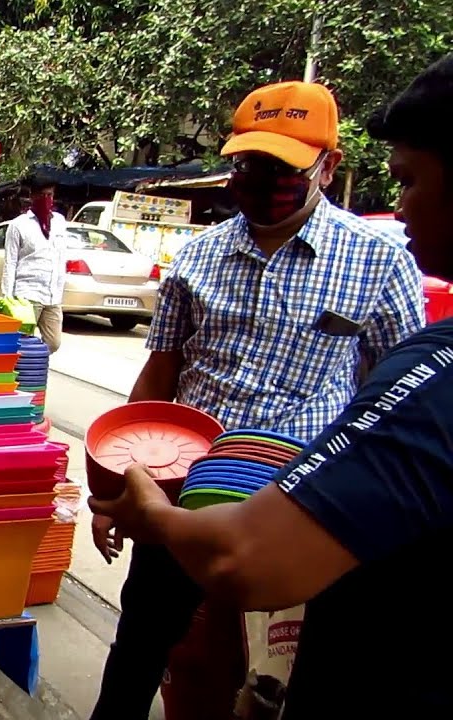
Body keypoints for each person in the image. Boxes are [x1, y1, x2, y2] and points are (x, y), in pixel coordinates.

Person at [92, 54, 453, 718]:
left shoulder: (380, 262)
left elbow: (393, 399)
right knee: (141, 645)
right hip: (182, 492)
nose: (260, 182)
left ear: (327, 167)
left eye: (281, 168)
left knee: (266, 678)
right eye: (249, 164)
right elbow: (158, 381)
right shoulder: (198, 256)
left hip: (303, 513)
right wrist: (116, 483)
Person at [1, 180, 67, 353]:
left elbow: (61, 258)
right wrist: (8, 298)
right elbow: (10, 262)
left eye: (50, 195)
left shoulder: (59, 222)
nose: (47, 199)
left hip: (52, 296)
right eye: (43, 195)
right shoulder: (18, 225)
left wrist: (60, 292)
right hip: (27, 295)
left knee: (53, 343)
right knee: (20, 344)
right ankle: (23, 377)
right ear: (32, 197)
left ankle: (35, 364)